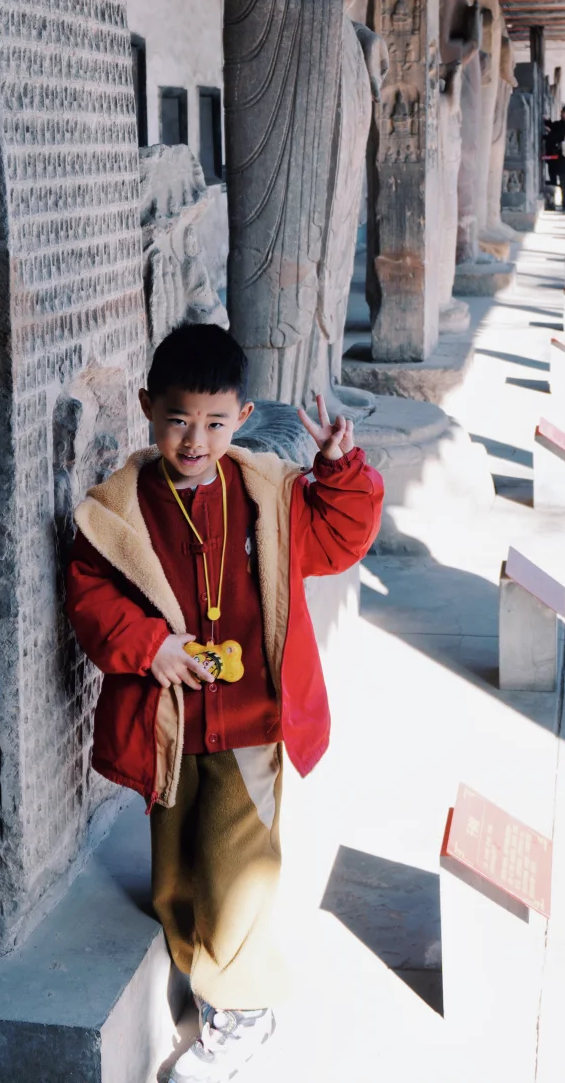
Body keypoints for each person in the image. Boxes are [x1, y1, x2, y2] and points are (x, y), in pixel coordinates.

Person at [65, 323, 384, 1083]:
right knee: (178, 866)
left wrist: (339, 470)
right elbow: (89, 594)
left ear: (241, 417)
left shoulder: (268, 494)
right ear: (147, 405)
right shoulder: (120, 509)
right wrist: (150, 645)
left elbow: (341, 538)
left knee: (239, 867)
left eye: (214, 422)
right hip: (171, 722)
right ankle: (202, 965)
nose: (195, 440)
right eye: (178, 419)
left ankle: (244, 1010)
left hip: (250, 718)